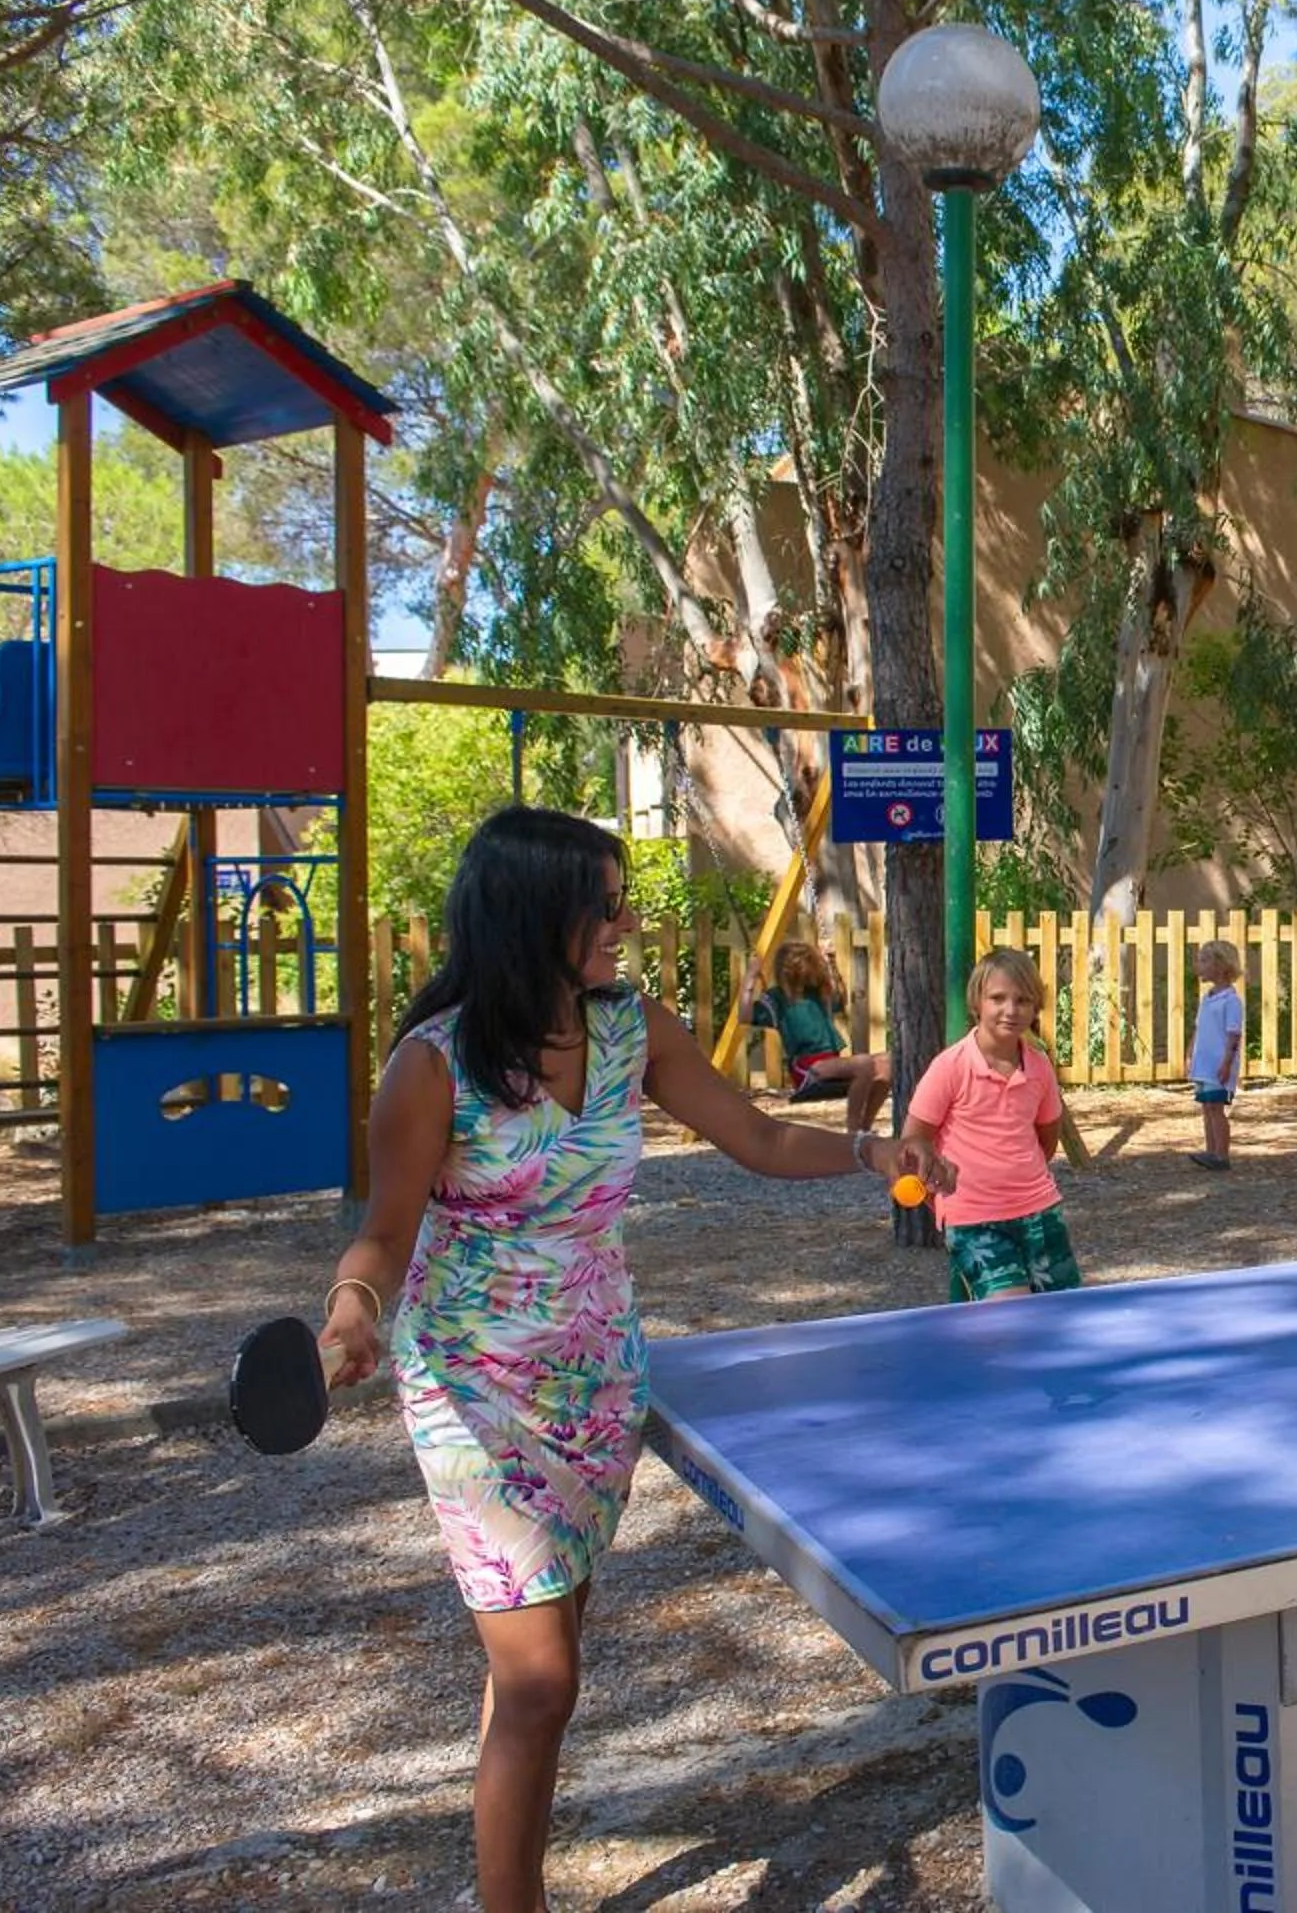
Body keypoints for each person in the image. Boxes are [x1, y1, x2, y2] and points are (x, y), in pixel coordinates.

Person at [317, 807, 942, 1913]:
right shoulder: (432, 1067)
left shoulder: (631, 1030)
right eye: (604, 904)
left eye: (622, 900)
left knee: (538, 1659)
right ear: (532, 913)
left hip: (598, 1374)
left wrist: (866, 1149)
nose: (626, 921)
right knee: (544, 1674)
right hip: (473, 1391)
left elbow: (751, 1136)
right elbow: (386, 1230)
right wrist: (352, 1310)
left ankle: (506, 1868)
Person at [904, 947, 1076, 1301]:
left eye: (1023, 1000)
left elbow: (1046, 1137)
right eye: (998, 998)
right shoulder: (950, 1067)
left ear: (1035, 1007)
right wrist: (942, 1200)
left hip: (1039, 1210)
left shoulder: (1039, 1066)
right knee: (1010, 1314)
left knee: (1063, 1314)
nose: (1011, 1010)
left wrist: (1019, 1179)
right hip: (974, 1218)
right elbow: (913, 1142)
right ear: (976, 1002)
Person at [738, 938, 881, 1098]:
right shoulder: (777, 999)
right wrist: (750, 978)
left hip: (832, 1063)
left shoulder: (816, 993)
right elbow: (744, 1016)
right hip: (808, 1068)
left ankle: (856, 1112)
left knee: (881, 1063)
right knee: (864, 1064)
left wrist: (830, 962)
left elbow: (840, 999)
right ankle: (849, 1114)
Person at [1187, 939, 1244, 1171]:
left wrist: (1227, 1064)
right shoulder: (1207, 998)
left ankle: (1222, 1154)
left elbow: (1233, 1035)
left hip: (1219, 1064)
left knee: (1216, 1108)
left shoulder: (1231, 1001)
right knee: (1206, 1107)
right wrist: (1190, 1053)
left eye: (1204, 960)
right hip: (1203, 1064)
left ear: (1221, 966)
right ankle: (1210, 1151)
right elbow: (1199, 1028)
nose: (1198, 965)